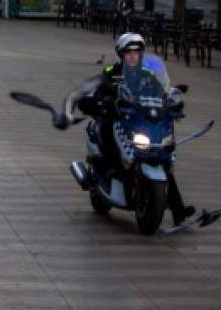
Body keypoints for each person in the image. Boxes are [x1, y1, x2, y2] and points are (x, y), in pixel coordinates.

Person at [77, 32, 195, 225]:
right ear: (121, 54)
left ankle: (178, 210)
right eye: (128, 52)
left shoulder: (148, 74)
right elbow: (98, 89)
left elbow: (162, 91)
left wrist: (173, 100)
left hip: (139, 120)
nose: (133, 56)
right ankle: (105, 170)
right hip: (117, 118)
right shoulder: (111, 71)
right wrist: (100, 100)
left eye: (137, 52)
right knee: (106, 127)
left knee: (162, 158)